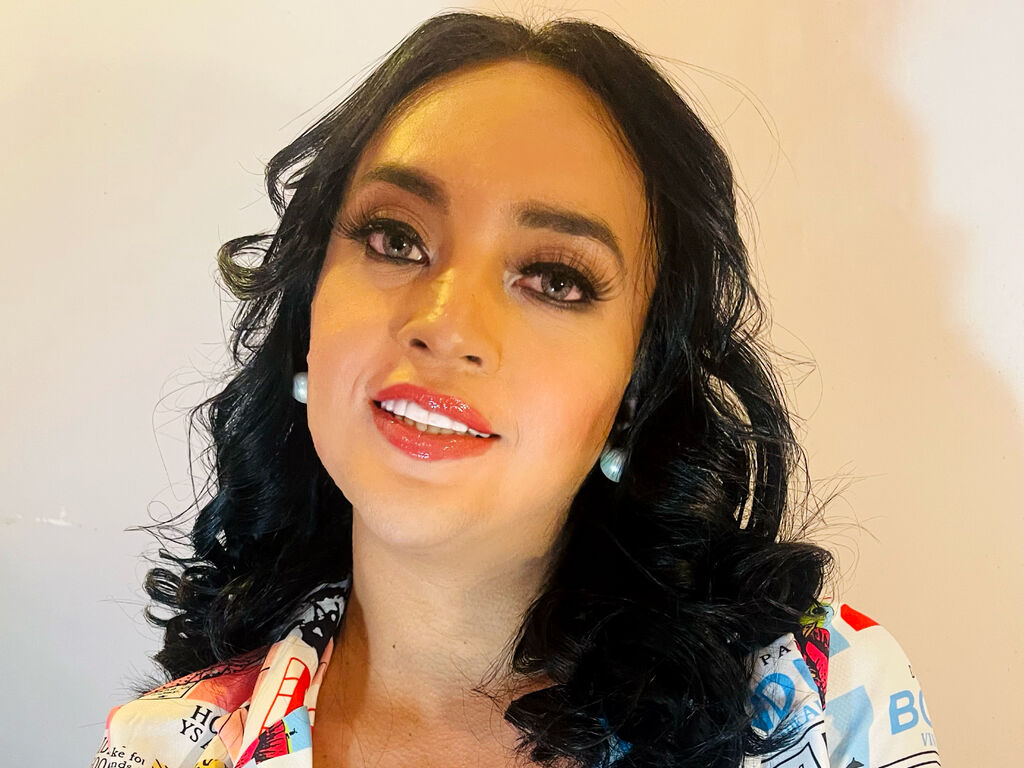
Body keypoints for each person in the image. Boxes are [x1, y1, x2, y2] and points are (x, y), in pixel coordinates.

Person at [89, 10, 941, 768]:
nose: (445, 324)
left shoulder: (822, 700)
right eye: (394, 238)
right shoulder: (165, 747)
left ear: (637, 386)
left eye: (555, 280)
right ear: (310, 305)